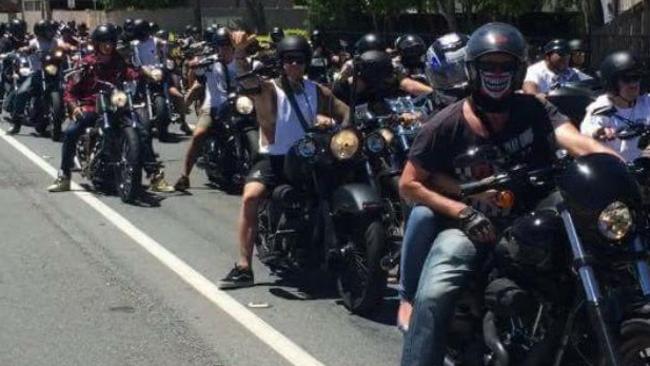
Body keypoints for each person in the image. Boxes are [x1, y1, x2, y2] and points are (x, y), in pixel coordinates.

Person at [399, 22, 618, 366]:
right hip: (472, 223)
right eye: (489, 65)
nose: (497, 73)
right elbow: (409, 184)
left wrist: (616, 164)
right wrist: (462, 212)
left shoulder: (536, 109)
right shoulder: (445, 124)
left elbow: (576, 141)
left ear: (518, 70)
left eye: (505, 66)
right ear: (474, 69)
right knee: (434, 293)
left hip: (537, 216)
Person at [217, 34, 350, 289]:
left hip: (309, 156)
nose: (294, 65)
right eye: (288, 60)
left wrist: (346, 128)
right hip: (274, 158)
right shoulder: (268, 88)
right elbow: (246, 79)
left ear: (306, 62)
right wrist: (241, 53)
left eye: (299, 60)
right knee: (251, 196)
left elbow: (344, 111)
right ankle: (244, 266)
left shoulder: (316, 89)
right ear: (281, 62)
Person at [395, 32, 471, 333]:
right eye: (449, 74)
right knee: (423, 215)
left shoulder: (496, 105)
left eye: (462, 71)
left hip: (493, 191)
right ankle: (408, 296)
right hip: (448, 194)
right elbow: (419, 175)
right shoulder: (431, 112)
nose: (457, 81)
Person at [46, 24, 173, 193]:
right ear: (97, 43)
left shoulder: (119, 61)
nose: (108, 46)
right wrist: (75, 106)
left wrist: (147, 73)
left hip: (116, 103)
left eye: (110, 42)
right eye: (104, 42)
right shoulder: (86, 64)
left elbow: (131, 72)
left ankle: (155, 176)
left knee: (142, 131)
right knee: (71, 132)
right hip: (92, 106)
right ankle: (64, 176)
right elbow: (70, 90)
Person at [174, 27, 258, 191]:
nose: (223, 49)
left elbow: (256, 69)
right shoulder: (210, 63)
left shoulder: (241, 61)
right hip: (214, 106)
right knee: (199, 134)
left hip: (241, 104)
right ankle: (185, 175)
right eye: (220, 46)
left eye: (227, 45)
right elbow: (194, 69)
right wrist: (194, 64)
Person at [581, 50, 649, 162]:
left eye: (637, 77)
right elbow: (588, 129)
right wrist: (598, 132)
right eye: (627, 79)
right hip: (613, 170)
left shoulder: (645, 101)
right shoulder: (602, 107)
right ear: (612, 83)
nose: (634, 84)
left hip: (641, 169)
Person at [130, 19, 190, 139]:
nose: (142, 34)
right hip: (143, 75)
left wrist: (179, 43)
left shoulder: (156, 41)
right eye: (139, 32)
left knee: (178, 96)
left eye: (143, 31)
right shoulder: (134, 45)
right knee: (131, 100)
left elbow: (169, 42)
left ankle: (184, 123)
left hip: (160, 73)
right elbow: (131, 55)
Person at [9, 19, 63, 137]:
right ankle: (16, 124)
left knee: (64, 90)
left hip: (51, 72)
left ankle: (60, 115)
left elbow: (63, 46)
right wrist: (25, 49)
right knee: (21, 93)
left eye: (51, 30)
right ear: (41, 31)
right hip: (37, 73)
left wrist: (69, 48)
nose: (51, 32)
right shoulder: (35, 42)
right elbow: (27, 48)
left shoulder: (55, 41)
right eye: (48, 30)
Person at [332, 49, 432, 110]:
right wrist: (342, 76)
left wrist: (439, 97)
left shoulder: (389, 84)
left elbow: (410, 86)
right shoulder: (343, 88)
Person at [523, 38, 592, 95]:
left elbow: (592, 84)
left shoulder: (571, 72)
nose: (565, 57)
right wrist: (543, 98)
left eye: (568, 53)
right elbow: (529, 90)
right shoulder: (535, 70)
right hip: (544, 109)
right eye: (561, 53)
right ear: (547, 56)